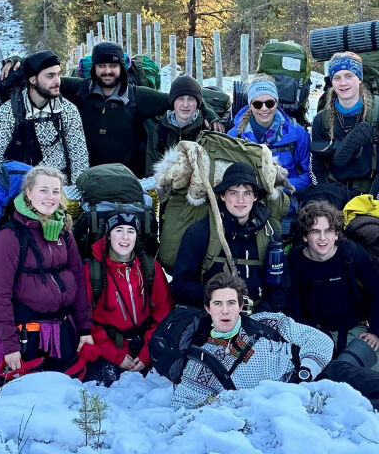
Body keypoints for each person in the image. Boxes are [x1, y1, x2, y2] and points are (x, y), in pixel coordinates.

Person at [170, 273, 379, 435]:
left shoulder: (265, 321)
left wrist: (306, 371)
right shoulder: (201, 361)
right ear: (208, 309)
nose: (226, 310)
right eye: (219, 304)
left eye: (232, 302)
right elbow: (184, 409)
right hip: (298, 406)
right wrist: (236, 404)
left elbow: (319, 342)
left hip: (325, 376)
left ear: (241, 305)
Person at [0, 166, 93, 392]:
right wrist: (10, 345)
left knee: (66, 392)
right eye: (43, 190)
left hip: (63, 331)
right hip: (25, 335)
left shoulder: (63, 232)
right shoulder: (9, 237)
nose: (50, 198)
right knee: (25, 397)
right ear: (29, 193)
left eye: (55, 191)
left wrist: (85, 329)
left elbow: (79, 282)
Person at [59, 42, 222, 177]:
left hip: (127, 179)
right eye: (101, 65)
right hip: (87, 178)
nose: (107, 71)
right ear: (94, 68)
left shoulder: (137, 97)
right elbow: (51, 80)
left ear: (122, 68)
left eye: (113, 65)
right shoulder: (78, 91)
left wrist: (208, 112)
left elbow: (177, 97)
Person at [285, 201, 379, 374]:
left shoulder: (351, 253)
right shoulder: (295, 260)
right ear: (305, 236)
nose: (322, 238)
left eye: (328, 231)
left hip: (352, 329)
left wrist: (375, 332)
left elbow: (376, 294)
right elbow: (292, 304)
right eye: (315, 232)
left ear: (336, 234)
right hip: (314, 332)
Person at [170, 162, 288, 312]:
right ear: (223, 196)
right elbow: (181, 285)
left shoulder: (269, 235)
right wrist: (216, 303)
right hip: (210, 318)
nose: (241, 200)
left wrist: (261, 317)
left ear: (255, 197)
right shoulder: (200, 233)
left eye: (247, 193)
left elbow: (281, 287)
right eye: (233, 192)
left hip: (258, 318)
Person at [81, 210, 173, 386]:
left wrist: (147, 353)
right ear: (108, 235)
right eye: (118, 230)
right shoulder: (92, 272)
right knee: (103, 393)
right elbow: (84, 321)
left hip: (145, 347)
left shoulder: (149, 267)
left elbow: (163, 313)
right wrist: (116, 356)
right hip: (106, 350)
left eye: (131, 231)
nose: (125, 237)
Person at [0, 50, 88, 183]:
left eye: (58, 74)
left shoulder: (67, 110)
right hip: (20, 191)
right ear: (33, 79)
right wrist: (0, 197)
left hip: (59, 190)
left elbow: (79, 157)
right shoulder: (8, 112)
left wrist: (75, 196)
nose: (57, 81)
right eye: (50, 76)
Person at [309, 52, 379, 204]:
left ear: (359, 78)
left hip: (367, 194)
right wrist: (326, 201)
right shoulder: (321, 120)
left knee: (368, 229)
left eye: (349, 76)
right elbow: (316, 168)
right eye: (337, 77)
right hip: (332, 194)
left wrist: (371, 203)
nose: (343, 83)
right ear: (332, 81)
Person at [232, 76, 311, 237]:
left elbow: (310, 175)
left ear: (276, 102)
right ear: (250, 105)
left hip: (287, 208)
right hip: (247, 210)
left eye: (269, 103)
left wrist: (282, 187)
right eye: (257, 104)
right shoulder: (235, 136)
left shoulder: (297, 134)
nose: (264, 109)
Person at [144, 75, 215, 175]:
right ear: (173, 102)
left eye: (191, 99)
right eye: (180, 98)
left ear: (197, 103)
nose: (185, 104)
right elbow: (151, 171)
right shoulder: (158, 131)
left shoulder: (208, 130)